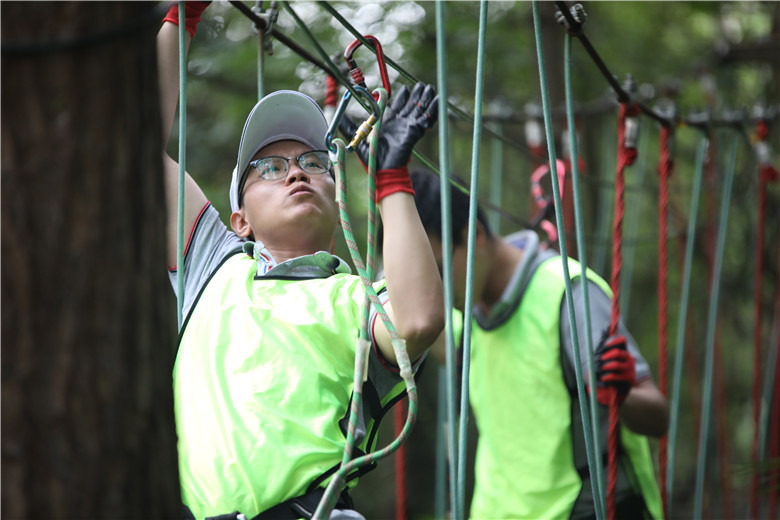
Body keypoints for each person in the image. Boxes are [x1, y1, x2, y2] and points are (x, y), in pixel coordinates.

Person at [157, 4, 443, 519]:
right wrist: (182, 20)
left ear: (336, 203)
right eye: (270, 167)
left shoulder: (356, 296)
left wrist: (392, 181)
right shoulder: (213, 267)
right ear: (240, 220)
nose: (296, 173)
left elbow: (419, 321)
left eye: (314, 163)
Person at [408, 168, 668, 520]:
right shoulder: (461, 321)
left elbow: (658, 417)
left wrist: (622, 395)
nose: (432, 287)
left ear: (474, 235)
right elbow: (406, 320)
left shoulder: (569, 295)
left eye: (438, 269)